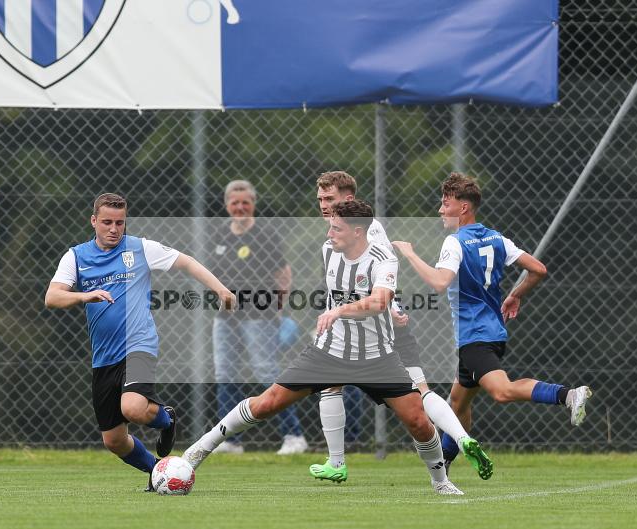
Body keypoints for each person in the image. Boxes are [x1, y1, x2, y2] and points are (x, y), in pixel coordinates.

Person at [184, 200, 494, 495]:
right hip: (328, 352)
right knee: (268, 403)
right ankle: (198, 450)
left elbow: (380, 301)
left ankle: (441, 483)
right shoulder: (327, 250)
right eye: (330, 227)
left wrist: (338, 311)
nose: (329, 233)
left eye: (337, 228)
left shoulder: (384, 258)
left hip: (377, 357)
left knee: (418, 419)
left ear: (358, 232)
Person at [392, 173, 593, 472]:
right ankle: (443, 467)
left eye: (445, 204)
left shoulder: (455, 242)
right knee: (458, 404)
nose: (440, 210)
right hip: (492, 332)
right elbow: (538, 269)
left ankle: (567, 395)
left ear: (463, 208)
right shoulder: (496, 237)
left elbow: (438, 282)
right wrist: (515, 295)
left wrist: (409, 253)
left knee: (502, 392)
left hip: (475, 336)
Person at [45, 193, 234, 489]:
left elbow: (186, 263)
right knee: (114, 440)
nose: (113, 228)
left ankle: (165, 420)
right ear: (93, 221)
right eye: (106, 222)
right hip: (104, 356)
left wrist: (221, 289)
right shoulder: (76, 256)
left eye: (119, 222)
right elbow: (52, 296)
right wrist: (84, 295)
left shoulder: (140, 248)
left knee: (132, 408)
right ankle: (157, 470)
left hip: (138, 343)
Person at [308, 171, 463, 484]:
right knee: (333, 384)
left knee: (416, 397)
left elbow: (383, 269)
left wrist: (392, 308)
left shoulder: (365, 229)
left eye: (330, 199)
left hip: (380, 324)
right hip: (361, 320)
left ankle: (452, 449)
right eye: (321, 199)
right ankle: (460, 441)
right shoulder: (338, 232)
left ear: (349, 200)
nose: (324, 205)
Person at [208, 180, 307, 455]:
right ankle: (229, 441)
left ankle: (294, 435)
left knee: (267, 373)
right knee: (225, 374)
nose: (240, 207)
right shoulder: (220, 235)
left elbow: (283, 274)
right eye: (235, 202)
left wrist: (277, 308)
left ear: (253, 203)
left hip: (259, 315)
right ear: (227, 205)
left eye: (245, 202)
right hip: (225, 316)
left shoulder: (265, 235)